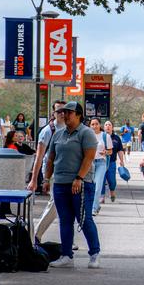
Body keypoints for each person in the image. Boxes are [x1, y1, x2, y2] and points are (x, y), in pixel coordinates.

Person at [44, 101, 100, 268]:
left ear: (78, 115)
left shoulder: (86, 133)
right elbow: (51, 158)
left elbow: (89, 157)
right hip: (60, 183)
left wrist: (79, 178)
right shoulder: (58, 134)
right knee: (65, 220)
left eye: (69, 112)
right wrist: (47, 179)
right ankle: (66, 254)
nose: (65, 115)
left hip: (80, 183)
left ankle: (94, 253)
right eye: (63, 112)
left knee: (84, 219)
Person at [28, 100, 67, 244]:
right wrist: (34, 180)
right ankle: (36, 234)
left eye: (65, 111)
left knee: (66, 206)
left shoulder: (72, 128)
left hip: (69, 171)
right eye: (59, 111)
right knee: (56, 203)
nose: (62, 114)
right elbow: (39, 157)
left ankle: (67, 238)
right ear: (53, 113)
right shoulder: (47, 131)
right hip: (53, 172)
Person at [90, 118, 113, 215]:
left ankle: (94, 209)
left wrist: (105, 152)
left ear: (100, 125)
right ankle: (96, 205)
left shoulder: (105, 136)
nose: (94, 126)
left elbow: (110, 151)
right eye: (92, 124)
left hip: (101, 163)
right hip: (89, 163)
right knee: (90, 186)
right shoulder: (87, 136)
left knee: (98, 186)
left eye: (96, 124)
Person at [104, 120, 126, 202]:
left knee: (111, 180)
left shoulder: (116, 138)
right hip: (101, 162)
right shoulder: (101, 136)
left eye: (109, 125)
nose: (108, 126)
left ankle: (112, 192)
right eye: (106, 125)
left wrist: (121, 160)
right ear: (104, 127)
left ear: (112, 127)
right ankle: (101, 196)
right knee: (101, 180)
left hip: (112, 162)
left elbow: (120, 150)